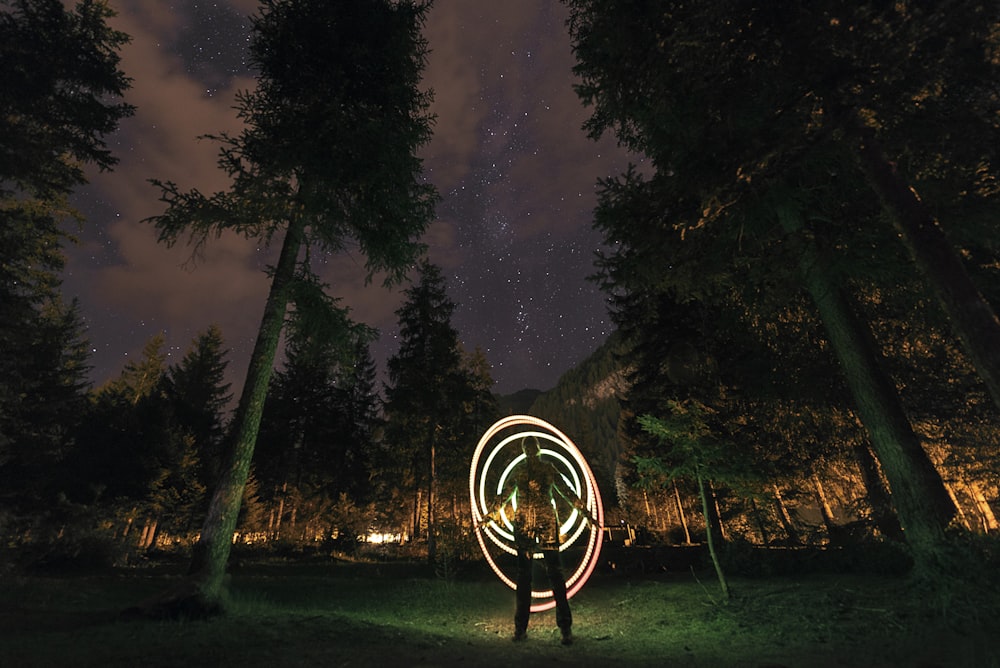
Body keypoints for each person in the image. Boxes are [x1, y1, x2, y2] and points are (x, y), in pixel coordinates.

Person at [483, 435, 593, 645]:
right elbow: (504, 494)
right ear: (525, 451)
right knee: (526, 577)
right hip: (525, 524)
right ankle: (522, 628)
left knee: (553, 574)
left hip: (543, 524)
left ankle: (564, 628)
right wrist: (490, 515)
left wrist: (584, 512)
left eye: (532, 448)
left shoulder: (546, 469)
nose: (530, 452)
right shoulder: (521, 471)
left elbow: (566, 490)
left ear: (538, 449)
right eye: (527, 448)